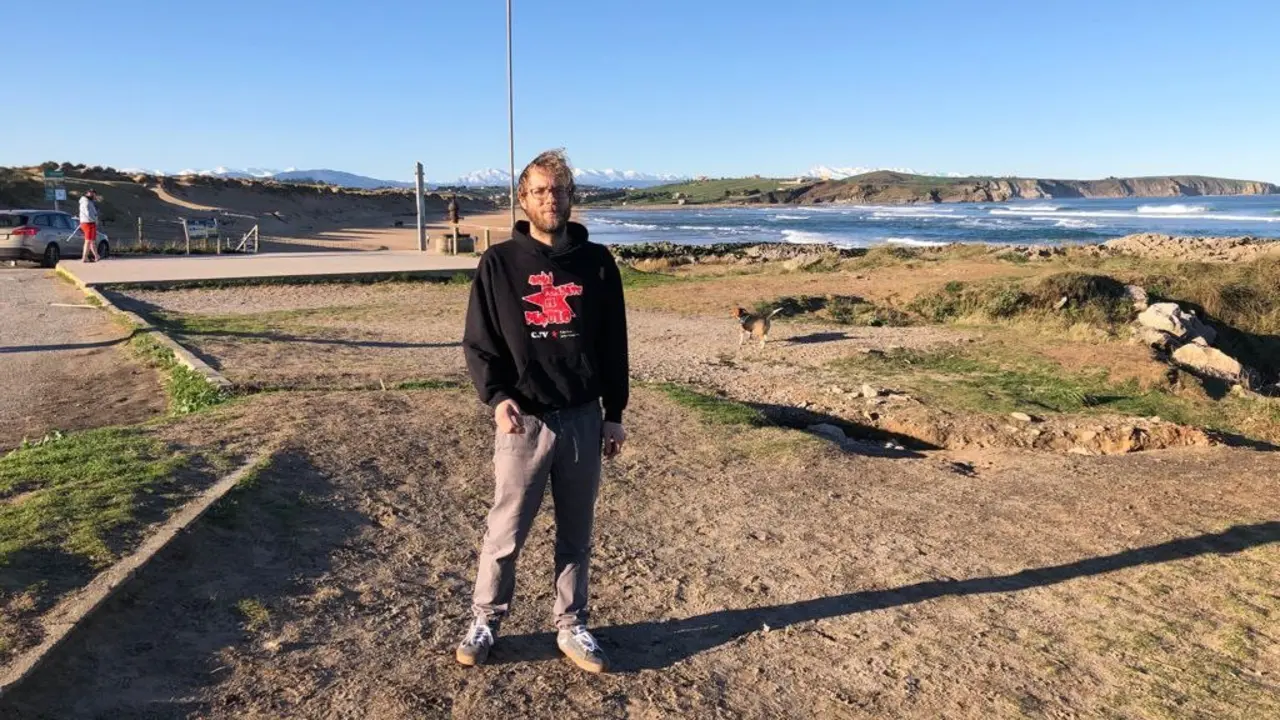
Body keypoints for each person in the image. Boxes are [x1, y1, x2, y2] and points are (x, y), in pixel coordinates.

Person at [457, 149, 629, 673]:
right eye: (539, 191)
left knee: (576, 533)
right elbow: (479, 341)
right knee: (506, 531)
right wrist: (497, 397)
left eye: (558, 190)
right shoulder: (498, 264)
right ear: (523, 199)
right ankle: (485, 620)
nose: (549, 199)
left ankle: (572, 625)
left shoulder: (597, 263)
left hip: (582, 418)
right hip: (524, 421)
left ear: (571, 196)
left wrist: (615, 411)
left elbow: (614, 343)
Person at [79, 190, 101, 263]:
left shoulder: (89, 202)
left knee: (92, 241)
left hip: (90, 223)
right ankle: (84, 258)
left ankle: (96, 256)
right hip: (88, 223)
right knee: (88, 241)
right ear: (87, 194)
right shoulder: (86, 202)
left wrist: (95, 219)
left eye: (94, 194)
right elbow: (88, 214)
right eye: (92, 195)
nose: (94, 196)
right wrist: (95, 219)